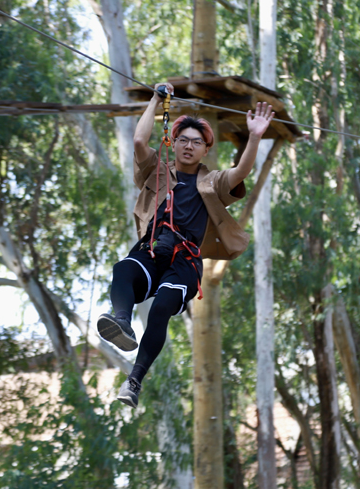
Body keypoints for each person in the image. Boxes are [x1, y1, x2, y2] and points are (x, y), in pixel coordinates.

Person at [97, 82, 275, 407]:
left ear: (206, 149)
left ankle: (134, 380)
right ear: (173, 142)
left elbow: (242, 171)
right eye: (183, 140)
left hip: (184, 262)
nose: (189, 146)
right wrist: (155, 100)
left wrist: (254, 136)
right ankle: (121, 319)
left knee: (163, 305)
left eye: (197, 142)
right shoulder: (157, 172)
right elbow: (139, 140)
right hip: (152, 249)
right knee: (123, 269)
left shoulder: (213, 182)